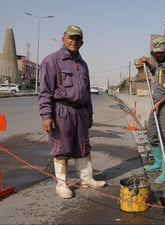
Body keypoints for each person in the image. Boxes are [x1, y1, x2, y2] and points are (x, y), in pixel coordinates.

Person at [38, 25, 106, 199]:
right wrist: (47, 115)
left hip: (81, 112)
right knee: (62, 147)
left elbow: (86, 91)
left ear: (82, 42)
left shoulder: (83, 64)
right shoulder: (51, 60)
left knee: (83, 146)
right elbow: (45, 91)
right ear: (63, 39)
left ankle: (87, 178)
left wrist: (89, 113)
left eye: (77, 39)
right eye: (70, 37)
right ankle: (62, 185)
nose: (73, 41)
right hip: (62, 110)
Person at [141, 37, 165, 184]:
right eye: (156, 53)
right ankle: (158, 162)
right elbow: (157, 74)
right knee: (152, 133)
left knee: (164, 139)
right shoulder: (160, 63)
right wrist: (148, 64)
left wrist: (160, 102)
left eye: (161, 52)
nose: (158, 55)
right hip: (157, 105)